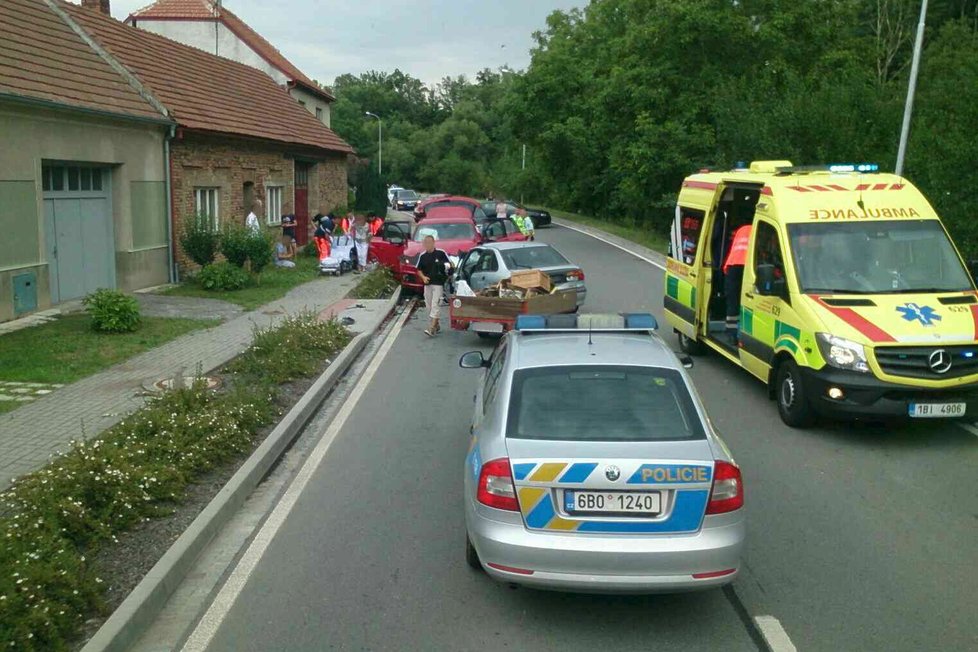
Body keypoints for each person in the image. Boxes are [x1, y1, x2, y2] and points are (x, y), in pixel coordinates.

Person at [416, 235, 453, 337]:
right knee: (429, 306)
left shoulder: (441, 253)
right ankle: (436, 324)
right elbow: (419, 270)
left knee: (435, 304)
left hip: (438, 283)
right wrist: (423, 277)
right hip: (427, 284)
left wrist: (446, 270)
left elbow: (449, 265)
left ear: (433, 243)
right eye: (425, 243)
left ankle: (431, 328)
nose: (427, 244)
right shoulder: (422, 256)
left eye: (429, 242)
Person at [722, 223, 752, 343]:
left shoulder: (741, 229)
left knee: (732, 302)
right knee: (745, 302)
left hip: (732, 265)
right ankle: (739, 334)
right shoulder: (760, 229)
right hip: (746, 267)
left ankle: (731, 334)